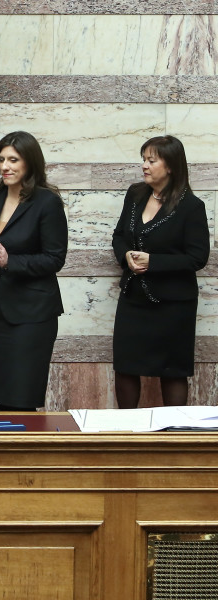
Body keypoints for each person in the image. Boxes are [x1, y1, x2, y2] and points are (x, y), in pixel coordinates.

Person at [0, 131, 68, 412]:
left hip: (31, 314)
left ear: (30, 162)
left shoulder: (47, 202)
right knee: (2, 393)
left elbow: (55, 258)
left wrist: (10, 262)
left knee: (22, 396)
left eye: (13, 160)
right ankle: (5, 441)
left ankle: (23, 442)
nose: (5, 166)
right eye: (1, 159)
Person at [111, 135, 209, 408]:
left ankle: (174, 432)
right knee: (126, 366)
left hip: (173, 304)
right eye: (143, 159)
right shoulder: (135, 194)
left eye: (151, 160)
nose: (144, 165)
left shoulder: (191, 207)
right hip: (133, 298)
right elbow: (118, 236)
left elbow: (197, 258)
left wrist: (153, 262)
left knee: (172, 370)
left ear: (171, 166)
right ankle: (126, 428)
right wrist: (126, 256)